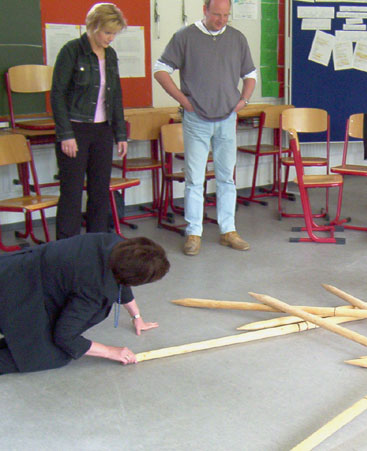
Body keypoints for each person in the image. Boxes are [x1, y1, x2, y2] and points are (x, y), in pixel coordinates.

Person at [154, 0, 256, 256]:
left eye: (225, 15)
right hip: (196, 119)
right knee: (194, 179)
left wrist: (243, 101)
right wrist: (183, 100)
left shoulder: (237, 38)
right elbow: (160, 70)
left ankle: (228, 230)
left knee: (226, 178)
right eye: (216, 15)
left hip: (227, 119)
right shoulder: (185, 37)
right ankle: (194, 233)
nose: (221, 20)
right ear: (204, 10)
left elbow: (251, 74)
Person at [0, 234, 170, 374]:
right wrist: (110, 351)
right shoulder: (96, 290)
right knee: (52, 354)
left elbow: (121, 281)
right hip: (13, 294)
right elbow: (65, 336)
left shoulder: (114, 244)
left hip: (12, 268)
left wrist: (136, 316)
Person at [51, 3, 128, 240]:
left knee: (99, 191)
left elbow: (114, 95)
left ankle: (96, 244)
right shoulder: (71, 51)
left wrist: (120, 134)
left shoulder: (111, 55)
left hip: (102, 131)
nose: (111, 38)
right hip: (75, 130)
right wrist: (65, 134)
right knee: (72, 192)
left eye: (114, 33)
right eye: (107, 32)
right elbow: (58, 94)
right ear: (93, 27)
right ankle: (66, 248)